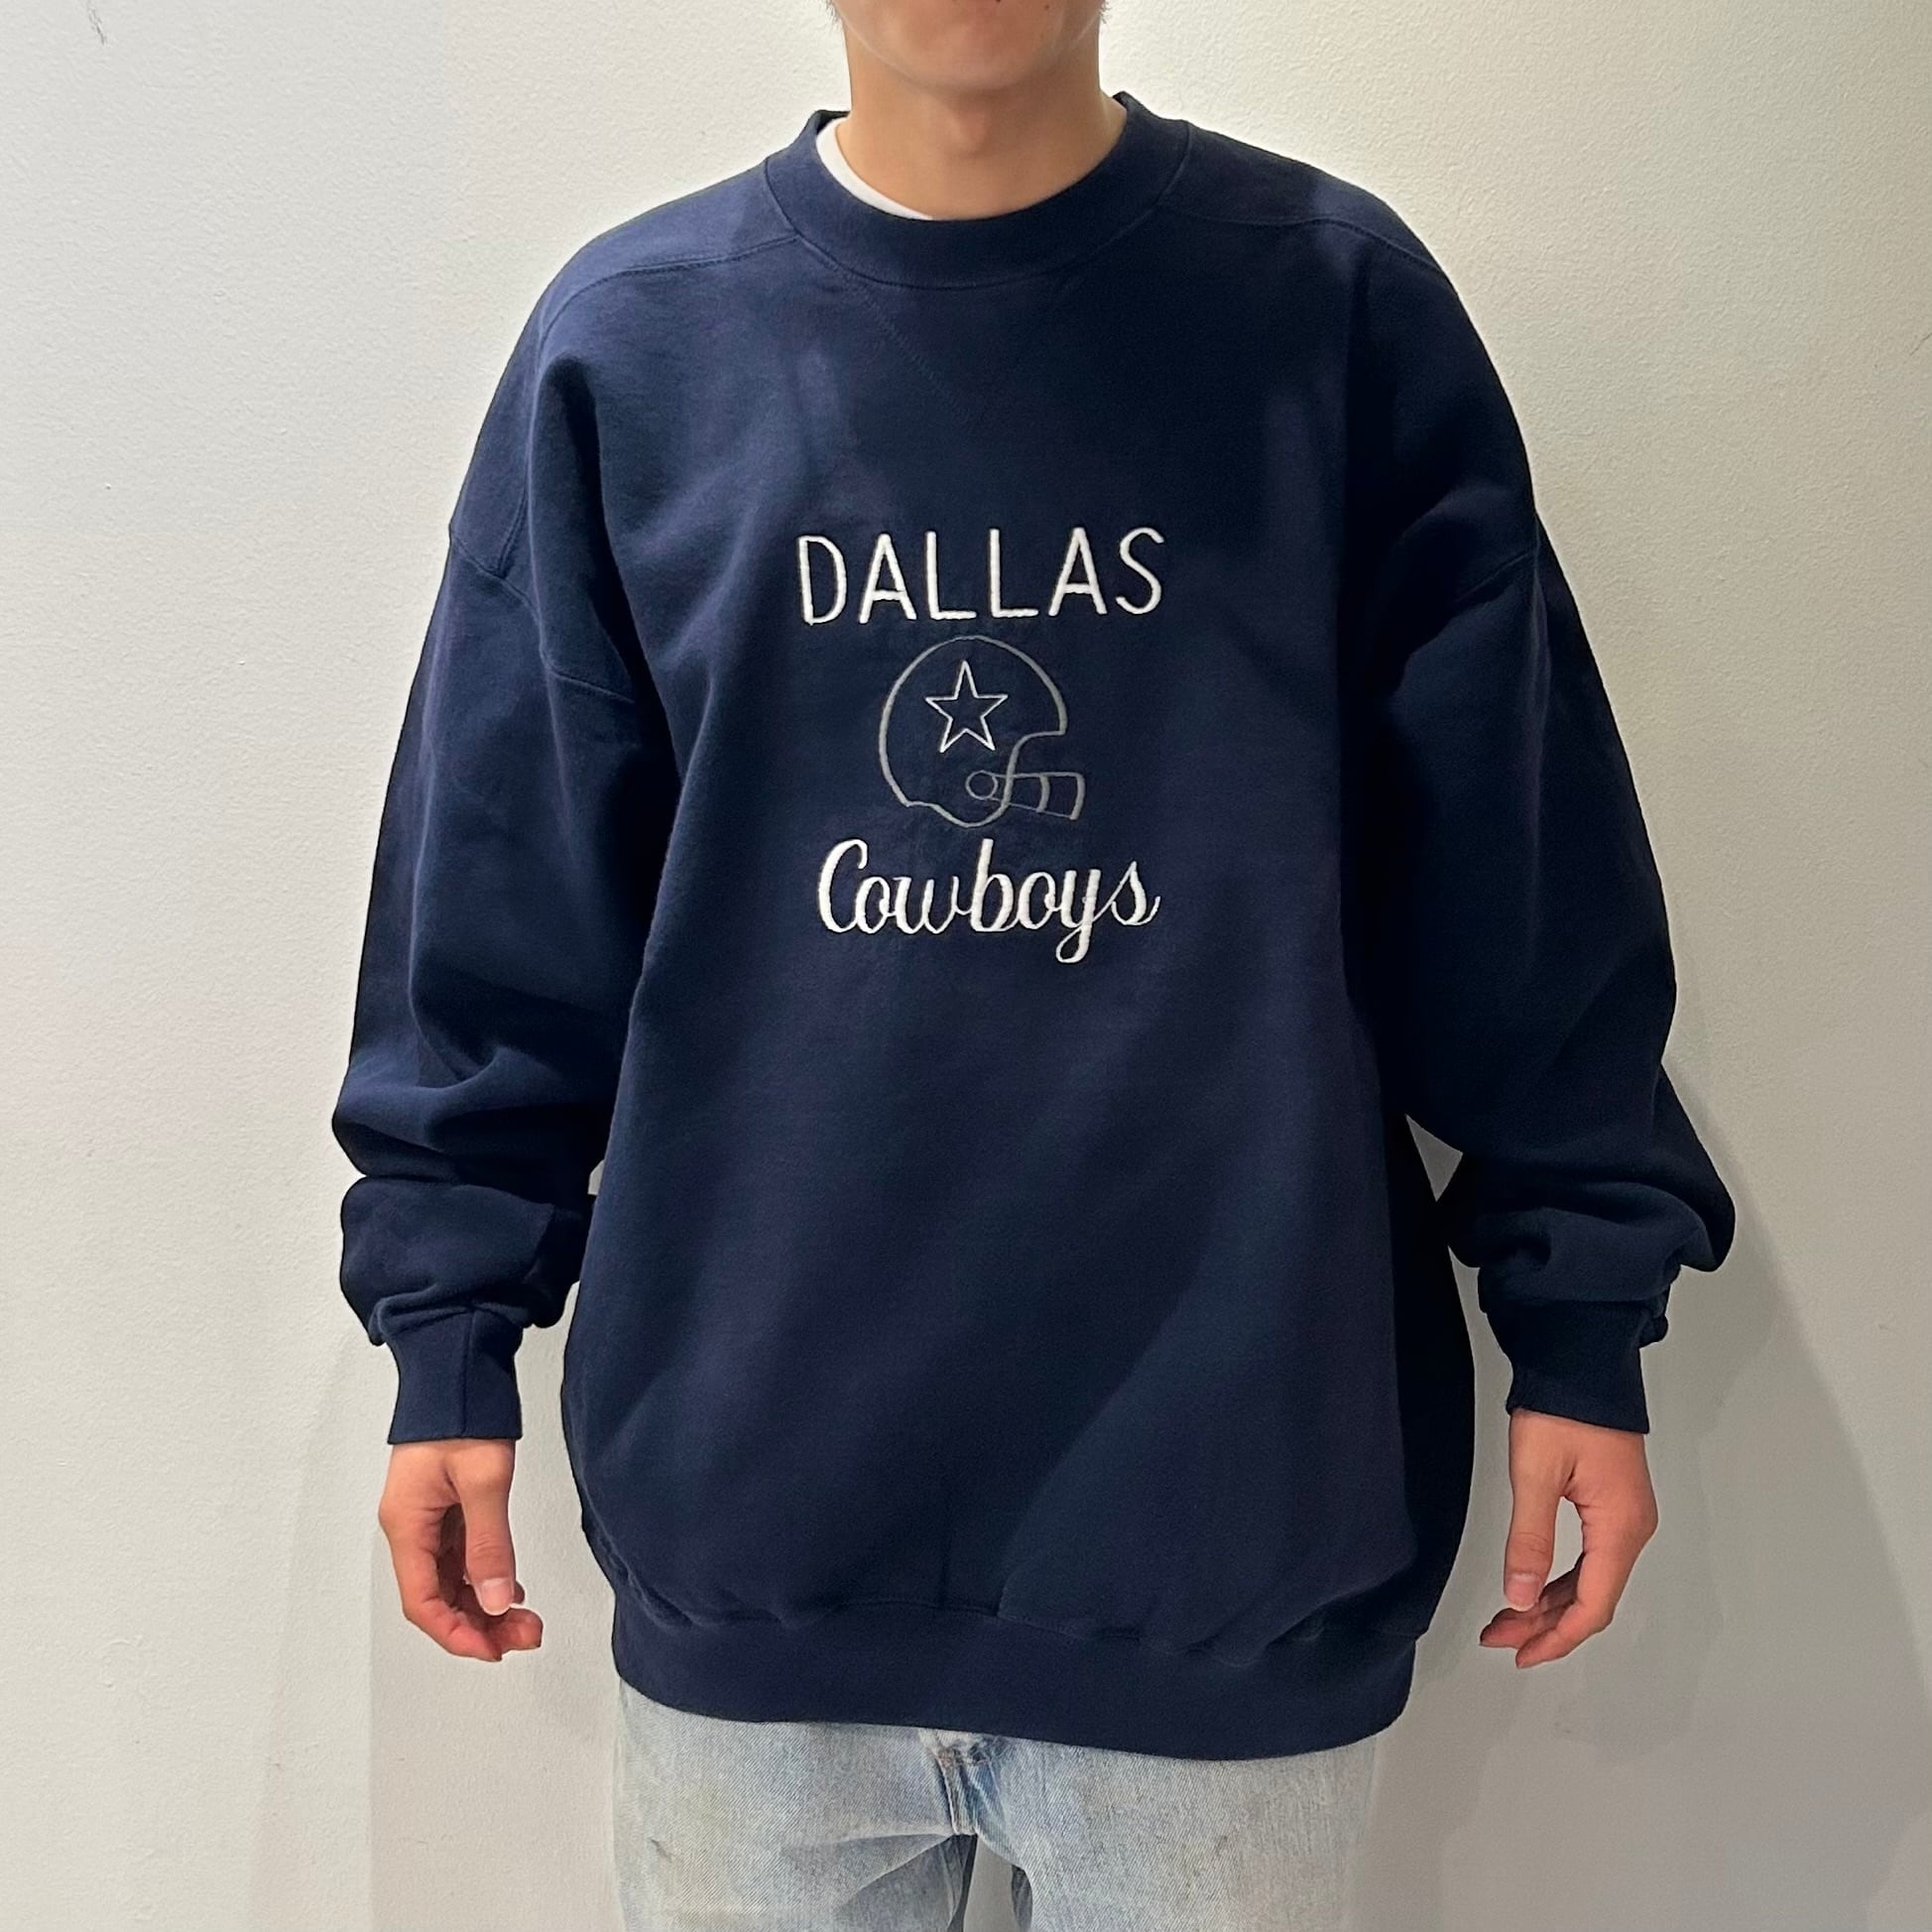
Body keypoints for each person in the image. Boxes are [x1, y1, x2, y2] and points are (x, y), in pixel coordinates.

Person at [329, 4, 1737, 1926]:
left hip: (1227, 1524)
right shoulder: (633, 346)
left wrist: (1580, 1313)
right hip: (763, 1533)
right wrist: (448, 1333)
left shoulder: (1328, 311)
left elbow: (1517, 867)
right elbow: (498, 898)